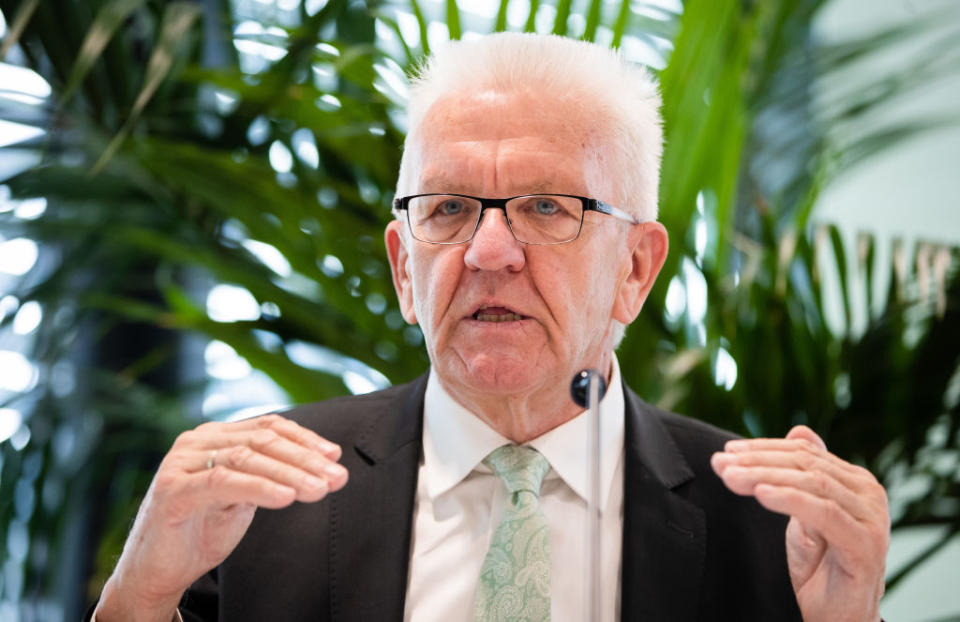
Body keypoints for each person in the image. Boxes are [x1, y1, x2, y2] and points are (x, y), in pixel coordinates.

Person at [91, 33, 890, 622]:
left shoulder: (770, 531)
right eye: (448, 209)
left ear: (636, 271)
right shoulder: (260, 506)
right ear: (405, 269)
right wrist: (138, 597)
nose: (489, 251)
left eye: (548, 207)